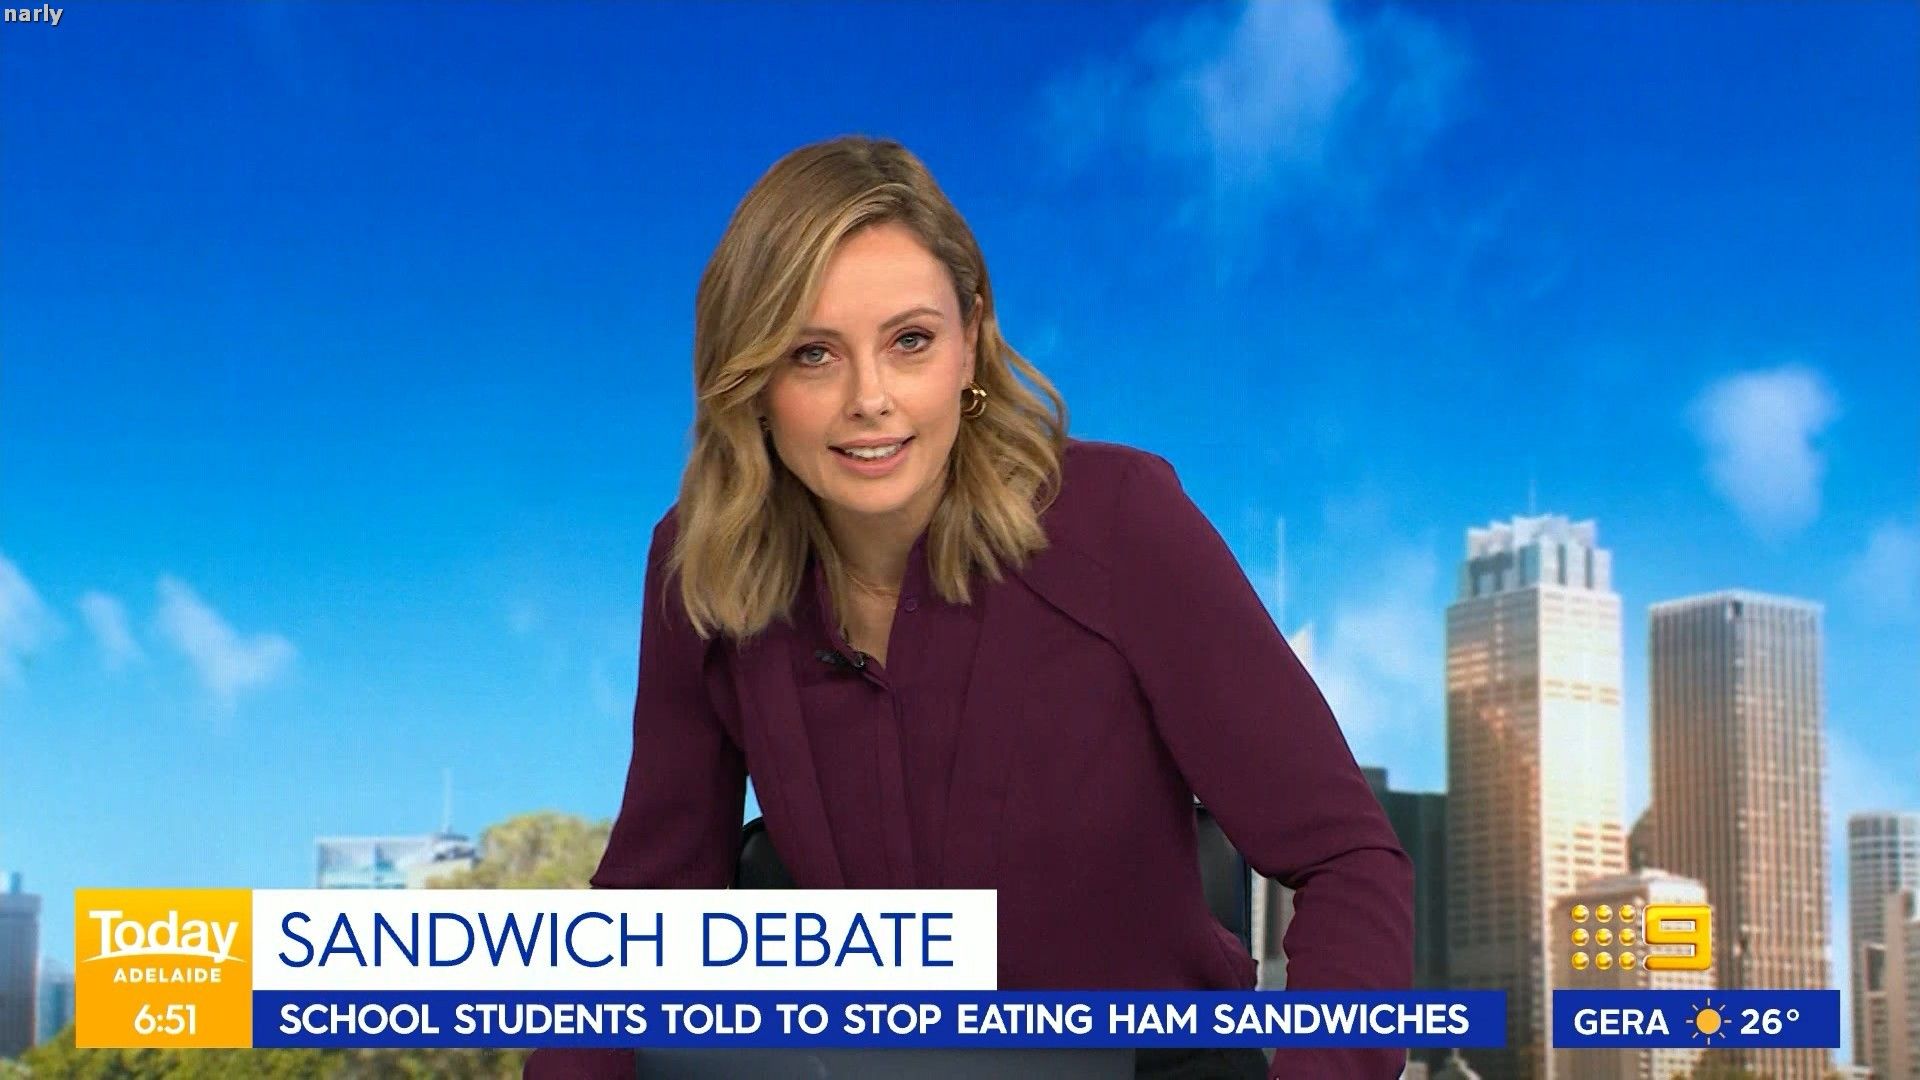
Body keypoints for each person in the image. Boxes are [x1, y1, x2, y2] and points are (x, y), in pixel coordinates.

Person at [525, 135, 1413, 1080]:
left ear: (969, 340)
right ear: (753, 381)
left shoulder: (1121, 522)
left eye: (909, 341)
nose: (870, 399)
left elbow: (1348, 860)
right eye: (812, 354)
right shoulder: (701, 562)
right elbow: (650, 909)